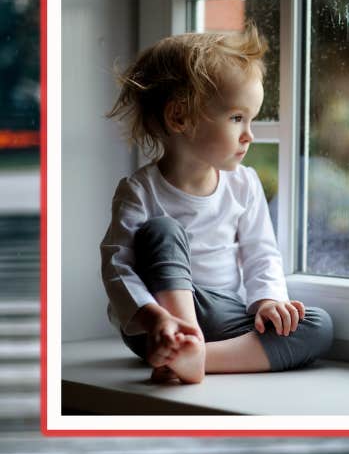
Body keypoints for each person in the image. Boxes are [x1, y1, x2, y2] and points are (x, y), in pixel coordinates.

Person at [102, 24, 333, 385]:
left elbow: (261, 254)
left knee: (317, 326)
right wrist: (155, 319)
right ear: (180, 117)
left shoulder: (244, 183)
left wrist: (268, 301)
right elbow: (118, 267)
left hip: (223, 314)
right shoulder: (140, 190)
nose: (249, 135)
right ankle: (183, 340)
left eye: (251, 119)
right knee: (162, 230)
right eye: (237, 118)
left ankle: (197, 357)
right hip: (156, 326)